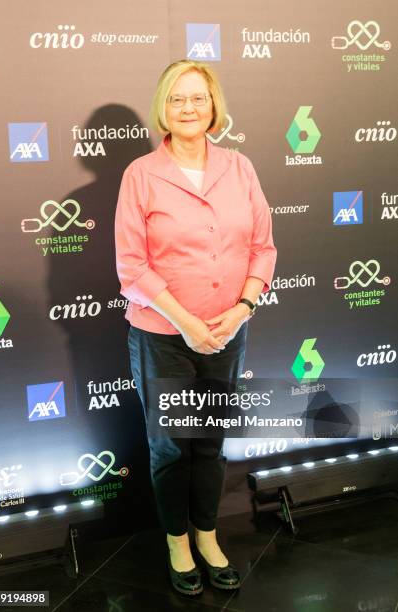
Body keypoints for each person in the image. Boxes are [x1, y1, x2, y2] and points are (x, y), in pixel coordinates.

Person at [114, 59, 277, 596]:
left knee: (210, 442)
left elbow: (262, 247)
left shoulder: (240, 167)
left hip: (227, 332)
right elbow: (132, 266)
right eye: (178, 99)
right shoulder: (141, 174)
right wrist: (186, 323)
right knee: (171, 447)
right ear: (164, 107)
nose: (189, 108)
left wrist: (241, 310)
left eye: (199, 99)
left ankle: (208, 536)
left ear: (214, 107)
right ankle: (177, 542)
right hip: (164, 337)